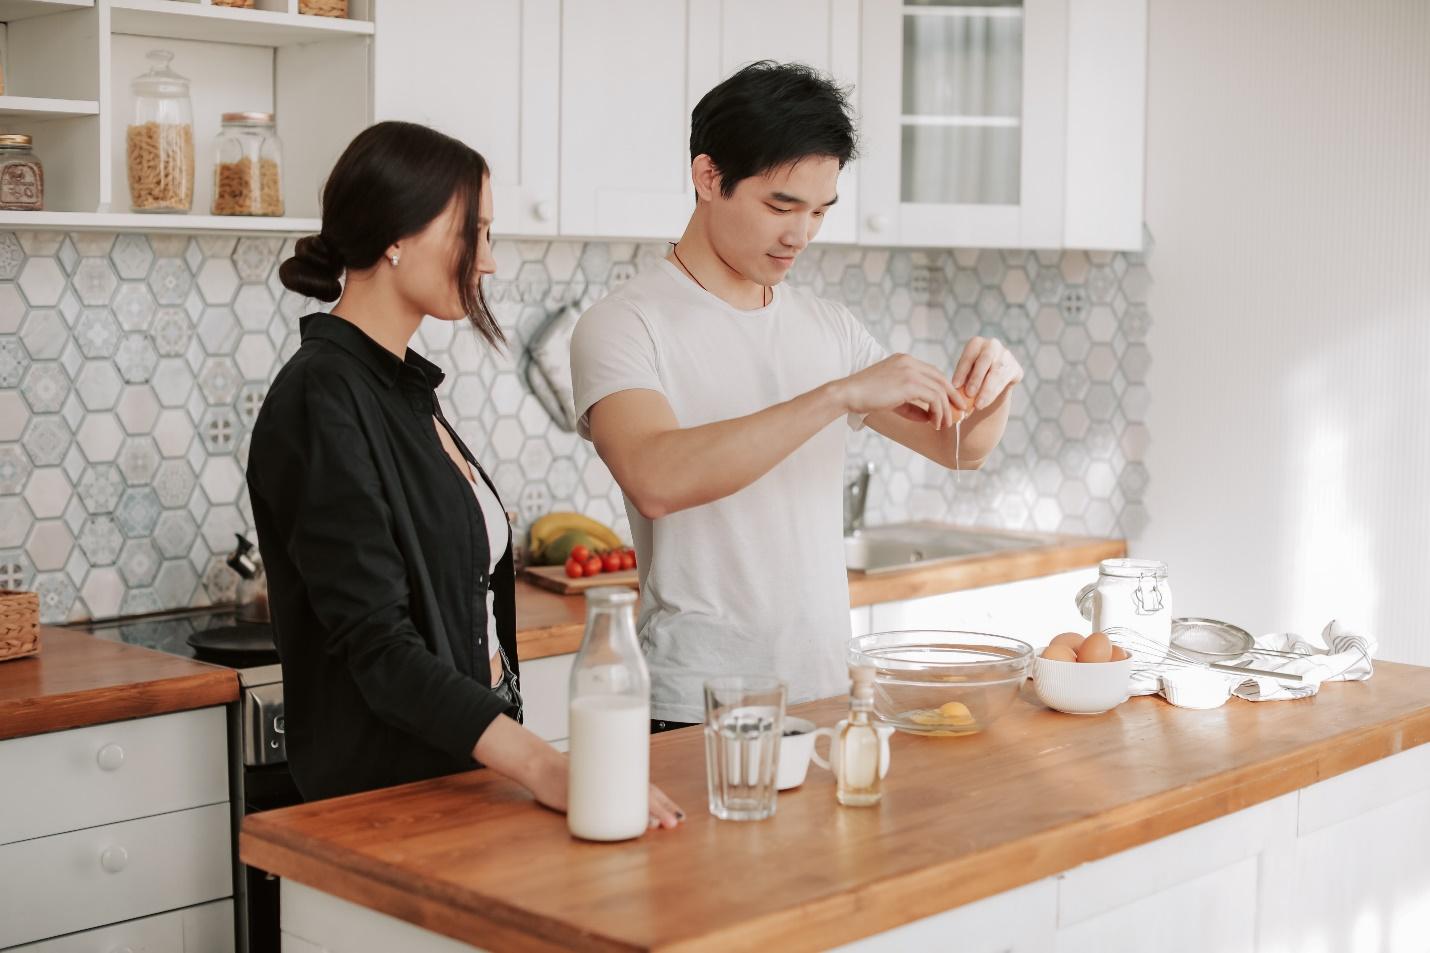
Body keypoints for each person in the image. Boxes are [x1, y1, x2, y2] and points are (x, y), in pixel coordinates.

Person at [248, 120, 682, 827]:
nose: (489, 261)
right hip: (387, 799)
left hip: (454, 773)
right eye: (473, 232)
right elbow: (380, 646)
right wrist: (546, 766)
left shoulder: (399, 388)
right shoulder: (320, 396)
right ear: (396, 234)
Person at [571, 62, 1024, 730]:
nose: (801, 234)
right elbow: (656, 476)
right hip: (696, 704)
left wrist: (997, 384)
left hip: (827, 692)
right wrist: (838, 395)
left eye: (818, 211)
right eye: (781, 206)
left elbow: (960, 448)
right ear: (707, 178)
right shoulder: (625, 322)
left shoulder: (828, 326)